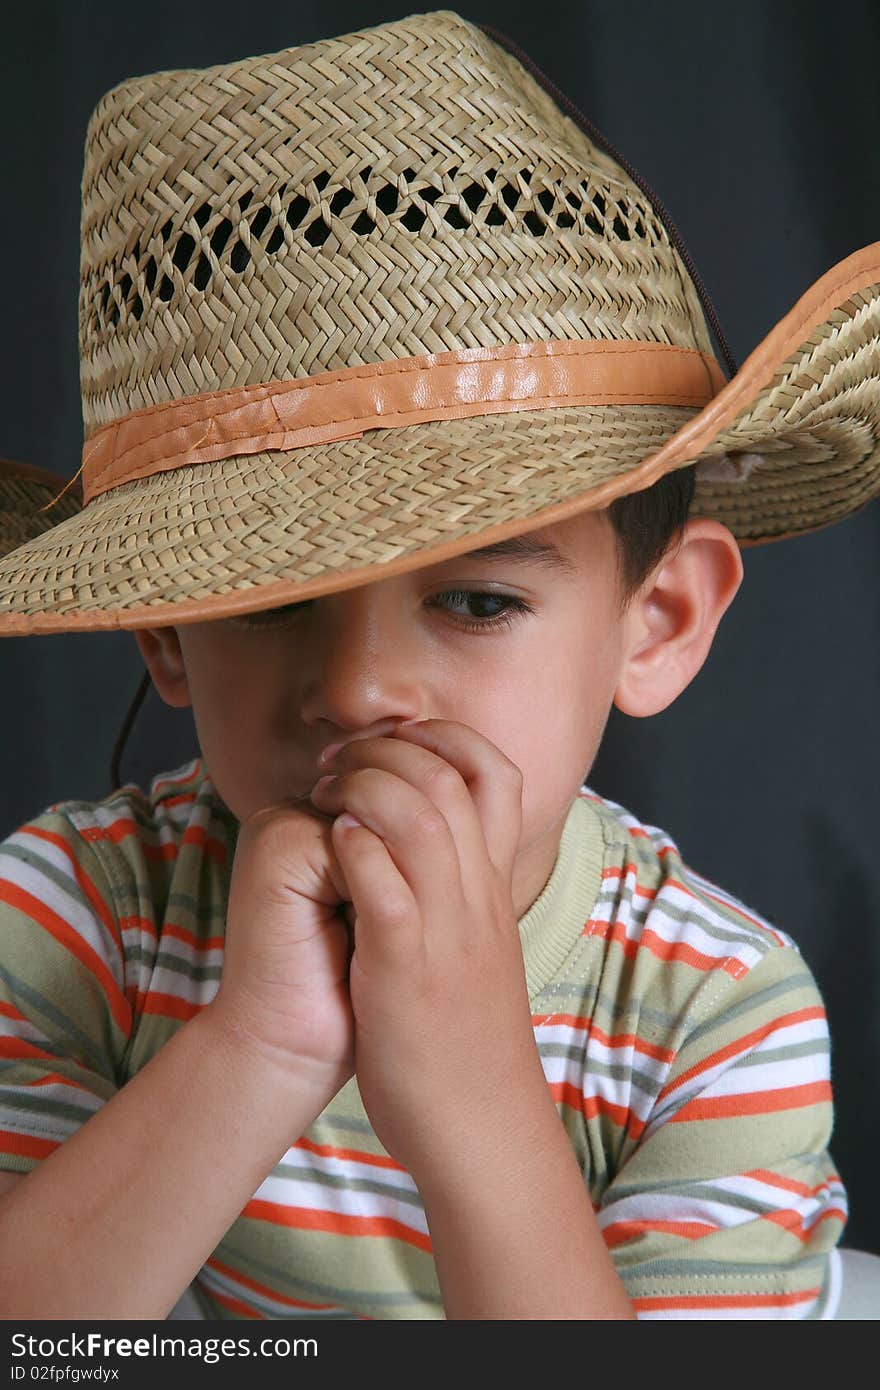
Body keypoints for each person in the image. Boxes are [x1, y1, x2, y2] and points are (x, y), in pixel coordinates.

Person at [0, 10, 875, 1320]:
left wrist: (474, 1098)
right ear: (164, 629)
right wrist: (261, 1044)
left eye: (474, 599)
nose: (355, 689)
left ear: (662, 619)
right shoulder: (77, 918)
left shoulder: (718, 1012)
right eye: (271, 597)